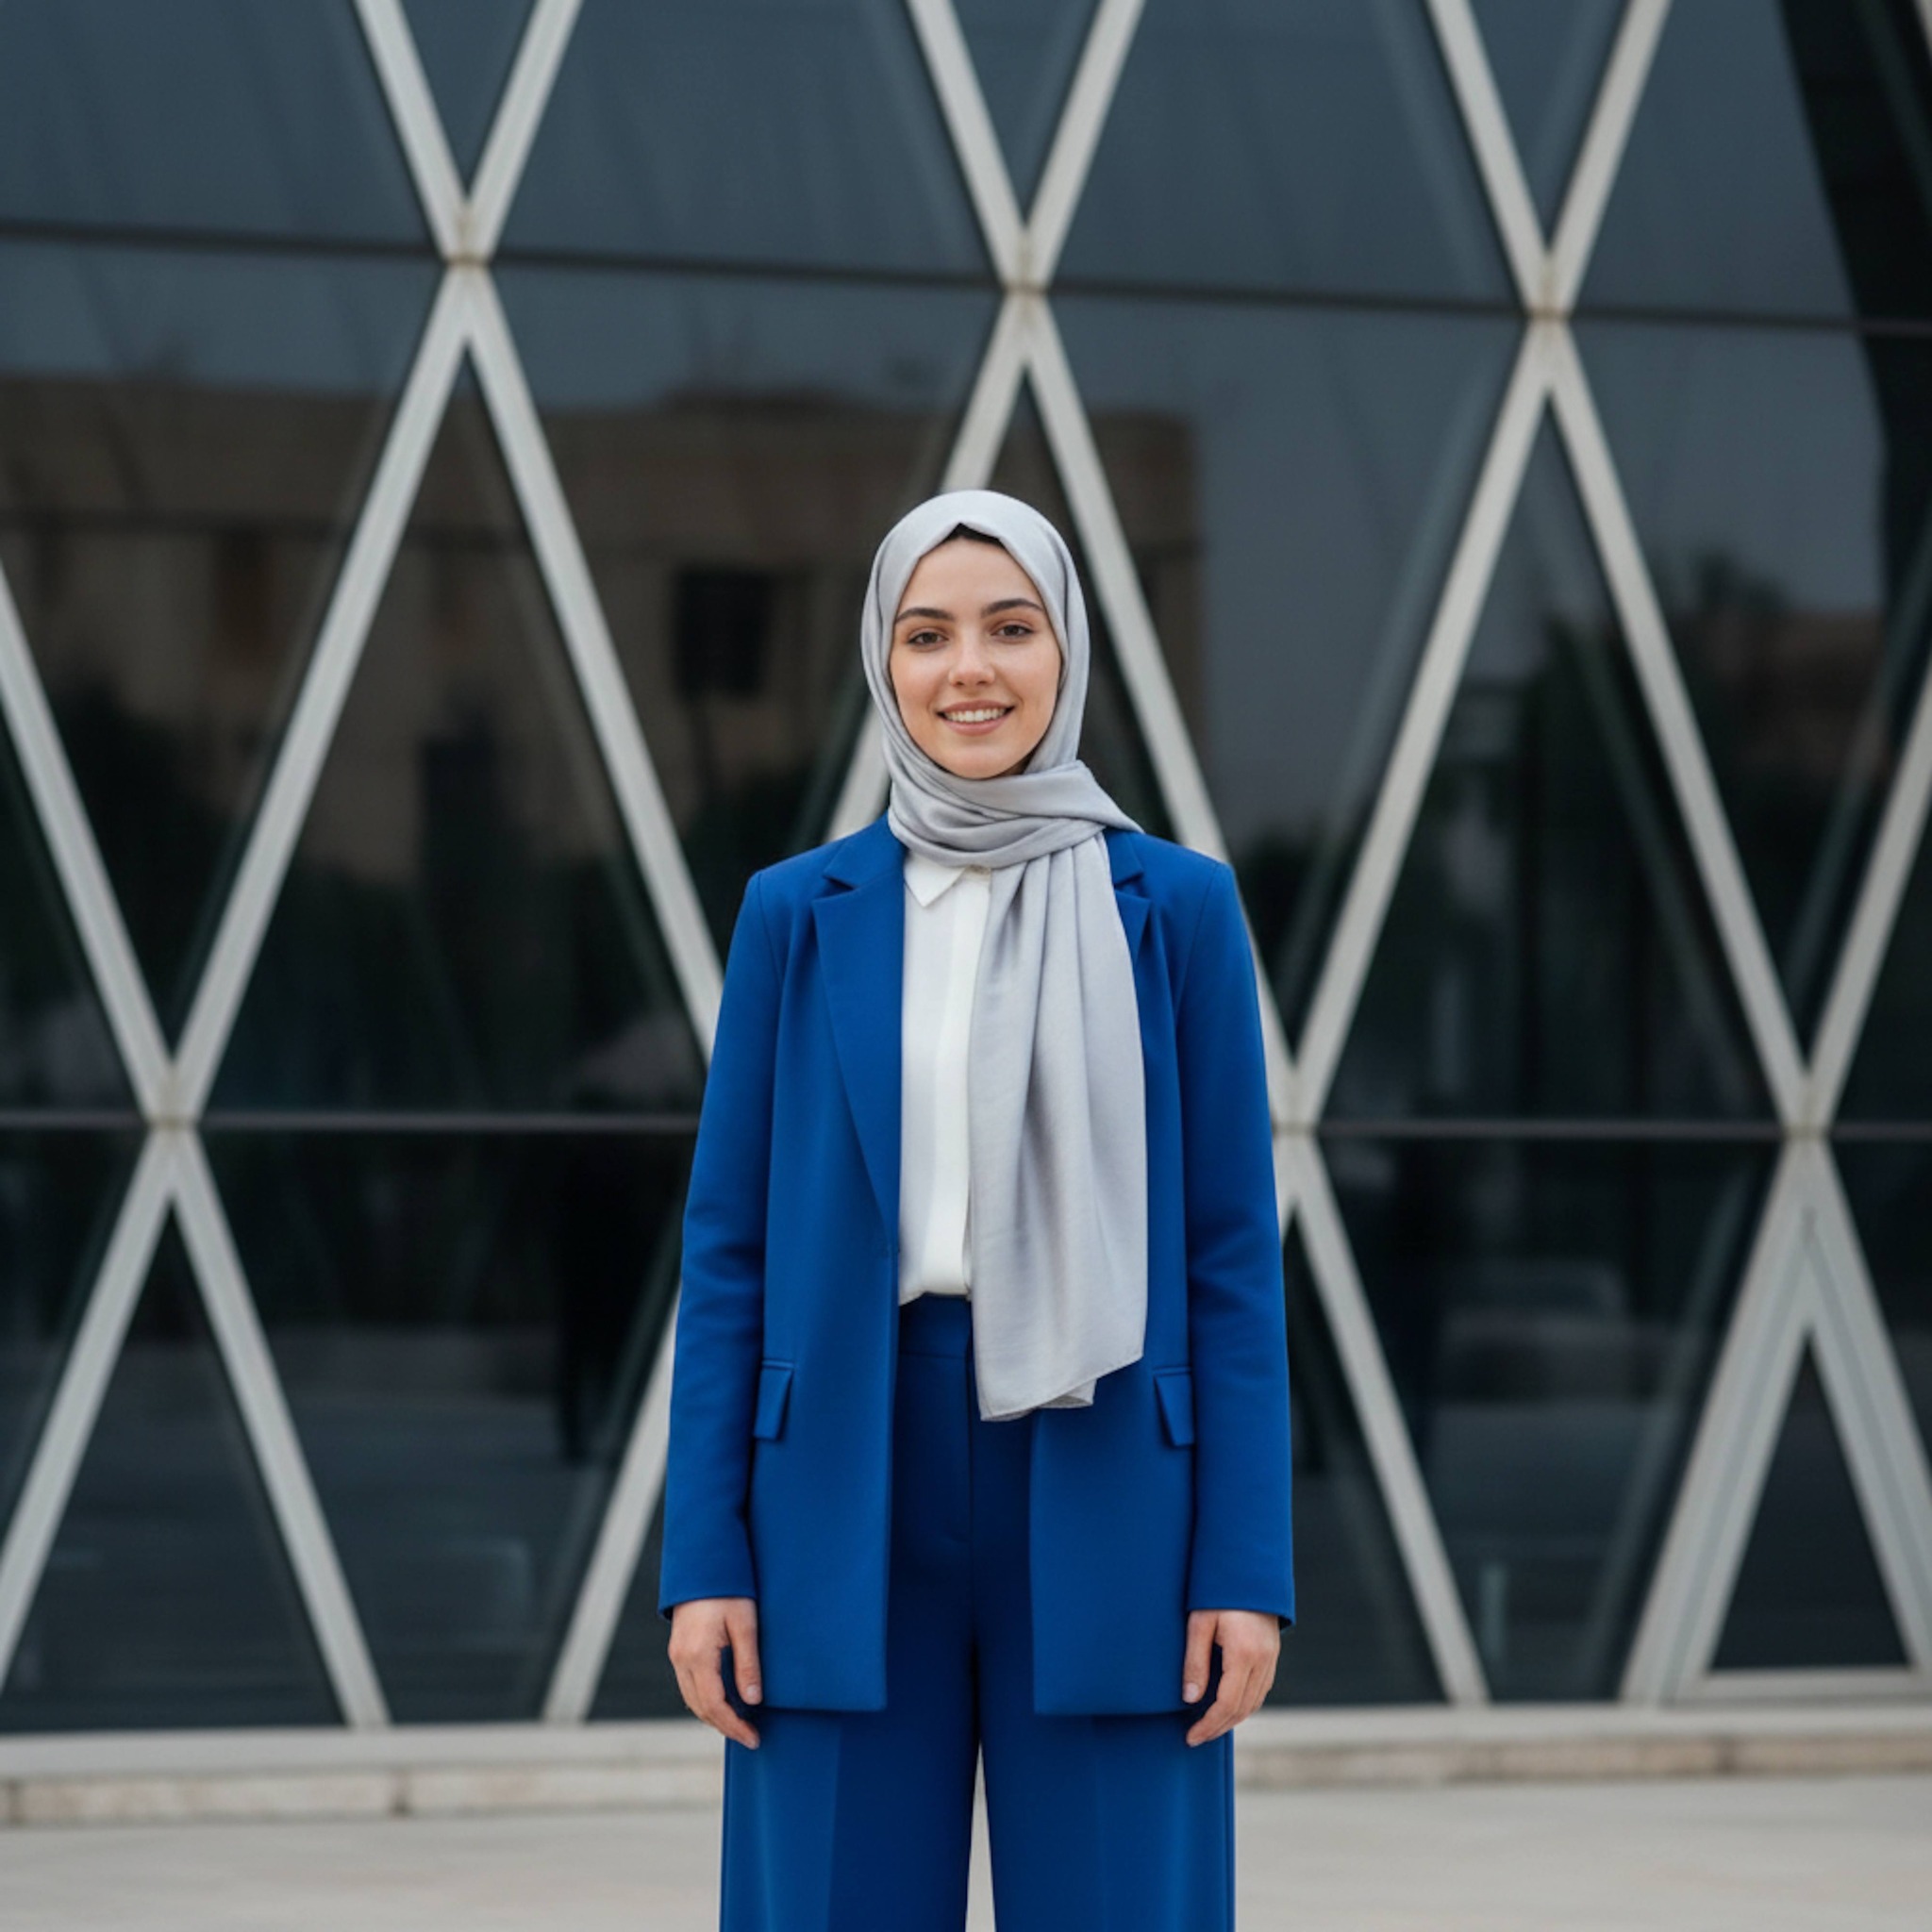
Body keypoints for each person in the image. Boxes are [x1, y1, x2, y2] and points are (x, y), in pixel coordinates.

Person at [660, 489, 1292, 1931]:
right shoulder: (795, 910)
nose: (971, 671)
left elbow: (1231, 1261)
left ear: (1066, 649)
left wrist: (1244, 1568)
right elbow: (730, 1252)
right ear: (882, 661)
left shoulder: (1175, 908)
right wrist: (707, 1555)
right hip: (834, 1477)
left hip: (1116, 1468)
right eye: (928, 633)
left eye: (1011, 629)